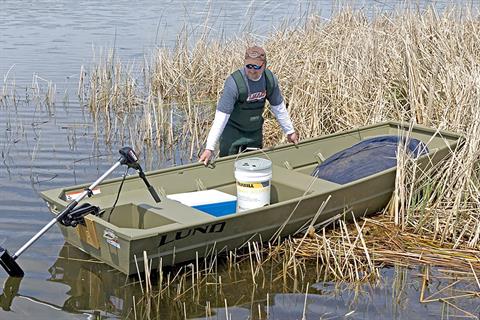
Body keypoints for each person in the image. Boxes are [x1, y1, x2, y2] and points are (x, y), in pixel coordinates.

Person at [199, 46, 299, 165]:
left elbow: (279, 108)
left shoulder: (269, 80)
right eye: (249, 66)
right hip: (232, 132)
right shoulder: (234, 83)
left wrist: (290, 132)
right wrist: (209, 148)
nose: (252, 70)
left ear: (264, 65)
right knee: (228, 166)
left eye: (256, 66)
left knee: (254, 165)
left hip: (254, 131)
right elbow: (221, 117)